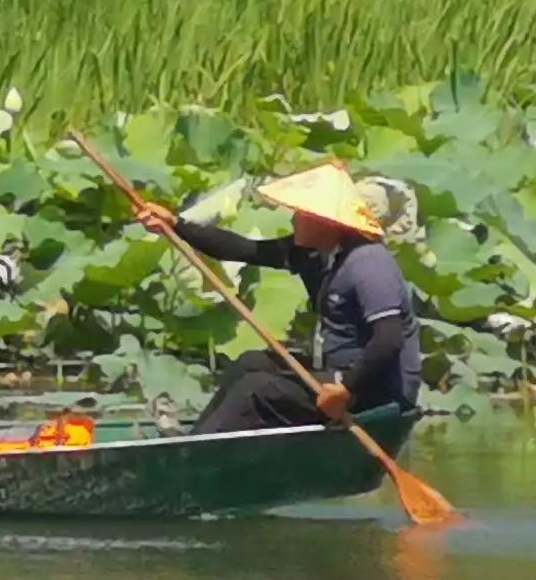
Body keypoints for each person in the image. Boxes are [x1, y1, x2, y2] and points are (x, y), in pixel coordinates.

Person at [134, 161, 422, 433]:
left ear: (326, 221)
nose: (294, 219)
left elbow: (389, 337)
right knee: (251, 363)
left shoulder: (367, 262)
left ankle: (190, 457)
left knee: (257, 391)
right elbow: (244, 249)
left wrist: (346, 389)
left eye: (302, 214)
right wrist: (175, 225)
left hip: (376, 388)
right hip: (340, 375)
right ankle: (196, 440)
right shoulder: (315, 253)